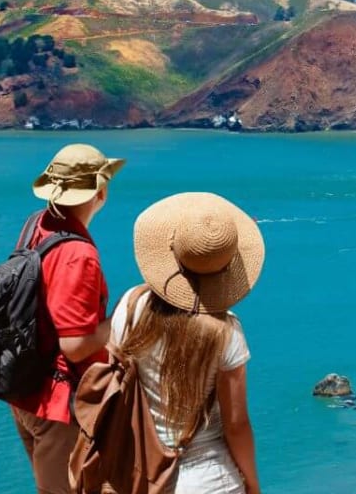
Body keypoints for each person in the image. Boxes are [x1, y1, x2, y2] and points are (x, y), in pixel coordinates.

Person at [110, 192, 264, 494]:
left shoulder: (131, 306)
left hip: (140, 474)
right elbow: (236, 425)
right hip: (211, 480)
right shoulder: (226, 332)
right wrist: (253, 485)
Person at [11, 144, 125, 494]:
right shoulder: (78, 254)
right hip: (59, 404)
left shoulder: (37, 225)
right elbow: (74, 345)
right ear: (100, 193)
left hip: (26, 391)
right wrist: (121, 318)